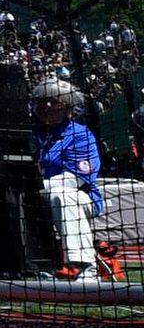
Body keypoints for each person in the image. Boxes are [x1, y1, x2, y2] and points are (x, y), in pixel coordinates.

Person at [33, 76, 102, 279]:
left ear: (67, 106)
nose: (45, 105)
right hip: (38, 196)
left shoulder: (80, 134)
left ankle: (85, 266)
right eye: (41, 100)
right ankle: (36, 266)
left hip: (79, 196)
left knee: (63, 195)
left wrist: (35, 186)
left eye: (52, 100)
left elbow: (78, 177)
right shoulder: (29, 131)